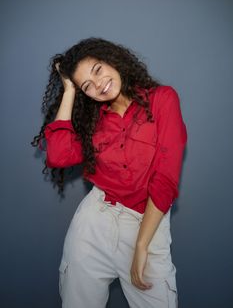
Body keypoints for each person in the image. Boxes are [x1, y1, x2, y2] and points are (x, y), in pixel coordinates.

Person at [32, 37, 187, 308]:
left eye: (98, 69)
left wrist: (141, 246)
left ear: (112, 60)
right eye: (87, 86)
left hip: (146, 223)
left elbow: (165, 179)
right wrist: (69, 88)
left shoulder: (163, 99)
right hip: (96, 223)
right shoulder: (93, 122)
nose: (98, 84)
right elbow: (57, 156)